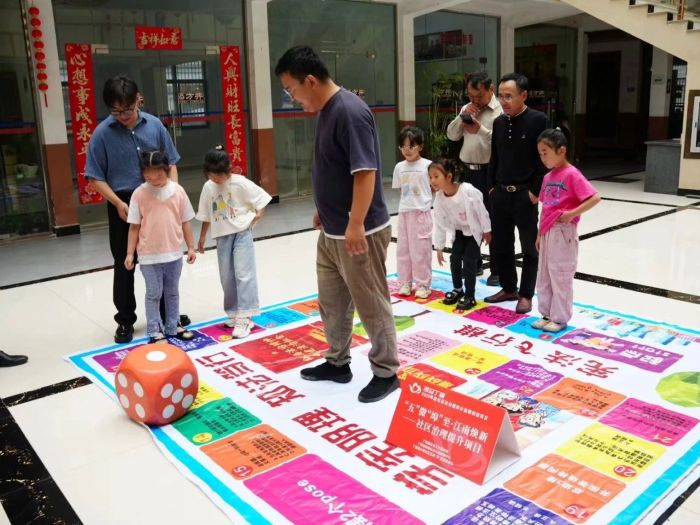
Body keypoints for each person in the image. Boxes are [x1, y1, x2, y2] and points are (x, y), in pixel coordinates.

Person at [275, 46, 400, 403]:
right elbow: (333, 168)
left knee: (370, 301)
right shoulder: (327, 110)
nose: (292, 97)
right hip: (332, 229)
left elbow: (365, 173)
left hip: (359, 232)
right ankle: (337, 362)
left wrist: (356, 223)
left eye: (291, 90)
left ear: (310, 81)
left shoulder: (349, 111)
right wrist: (324, 209)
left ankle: (386, 371)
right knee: (332, 302)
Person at [86, 75, 189, 344]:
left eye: (128, 109)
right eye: (116, 111)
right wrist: (118, 203)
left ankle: (169, 315)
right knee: (125, 263)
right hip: (123, 202)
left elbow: (171, 162)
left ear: (138, 99)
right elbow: (95, 176)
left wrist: (173, 194)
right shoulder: (102, 134)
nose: (123, 116)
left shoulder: (154, 125)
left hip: (159, 201)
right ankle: (125, 320)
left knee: (164, 259)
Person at [485, 72, 548, 314]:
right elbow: (494, 157)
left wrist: (535, 192)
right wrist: (491, 187)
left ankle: (526, 294)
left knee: (530, 246)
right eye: (501, 96)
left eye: (509, 96)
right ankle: (509, 288)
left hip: (525, 195)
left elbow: (543, 159)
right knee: (502, 244)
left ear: (524, 95)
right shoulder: (499, 122)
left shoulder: (538, 120)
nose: (504, 101)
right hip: (500, 193)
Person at [196, 145, 272, 339]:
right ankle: (234, 312)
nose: (216, 180)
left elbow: (262, 198)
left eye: (219, 176)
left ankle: (245, 316)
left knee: (244, 274)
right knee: (227, 276)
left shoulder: (239, 183)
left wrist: (258, 214)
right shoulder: (208, 187)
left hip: (241, 232)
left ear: (228, 171)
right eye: (212, 176)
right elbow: (206, 214)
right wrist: (202, 237)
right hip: (222, 236)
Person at [532, 129, 600, 332]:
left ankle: (560, 318)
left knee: (560, 274)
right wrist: (539, 234)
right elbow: (545, 207)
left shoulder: (571, 174)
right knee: (544, 275)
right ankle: (546, 313)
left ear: (561, 151)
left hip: (563, 232)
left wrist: (572, 214)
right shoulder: (547, 177)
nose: (543, 158)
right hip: (547, 231)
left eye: (546, 152)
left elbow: (594, 198)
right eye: (540, 154)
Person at [125, 151, 196, 343]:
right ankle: (154, 330)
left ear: (167, 170)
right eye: (149, 177)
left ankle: (173, 325)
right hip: (149, 255)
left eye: (159, 175)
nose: (154, 180)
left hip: (174, 253)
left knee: (172, 292)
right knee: (154, 293)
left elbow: (186, 221)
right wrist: (130, 253)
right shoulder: (139, 194)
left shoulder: (178, 191)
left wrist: (190, 247)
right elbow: (134, 226)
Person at [447, 70, 502, 286]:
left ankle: (496, 269)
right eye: (471, 96)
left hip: (490, 172)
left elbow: (500, 144)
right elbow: (452, 135)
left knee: (493, 220)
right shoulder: (467, 108)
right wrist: (462, 117)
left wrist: (480, 129)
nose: (475, 100)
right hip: (468, 171)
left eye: (479, 96)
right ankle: (474, 263)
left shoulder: (500, 111)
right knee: (469, 218)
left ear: (491, 89)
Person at [429, 158, 492, 311]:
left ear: (449, 176)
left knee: (469, 261)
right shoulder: (439, 197)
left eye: (436, 176)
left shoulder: (468, 191)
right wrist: (439, 247)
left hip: (473, 231)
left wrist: (487, 230)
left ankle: (470, 295)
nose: (432, 181)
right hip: (458, 231)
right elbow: (439, 222)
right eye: (430, 177)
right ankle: (458, 289)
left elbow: (481, 211)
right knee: (455, 259)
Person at [392, 126, 433, 299]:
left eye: (411, 146)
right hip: (404, 212)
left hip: (421, 213)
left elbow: (435, 186)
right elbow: (399, 189)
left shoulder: (428, 165)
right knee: (403, 250)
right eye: (403, 146)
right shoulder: (399, 167)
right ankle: (405, 282)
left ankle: (423, 284)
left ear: (420, 146)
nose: (407, 150)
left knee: (421, 250)